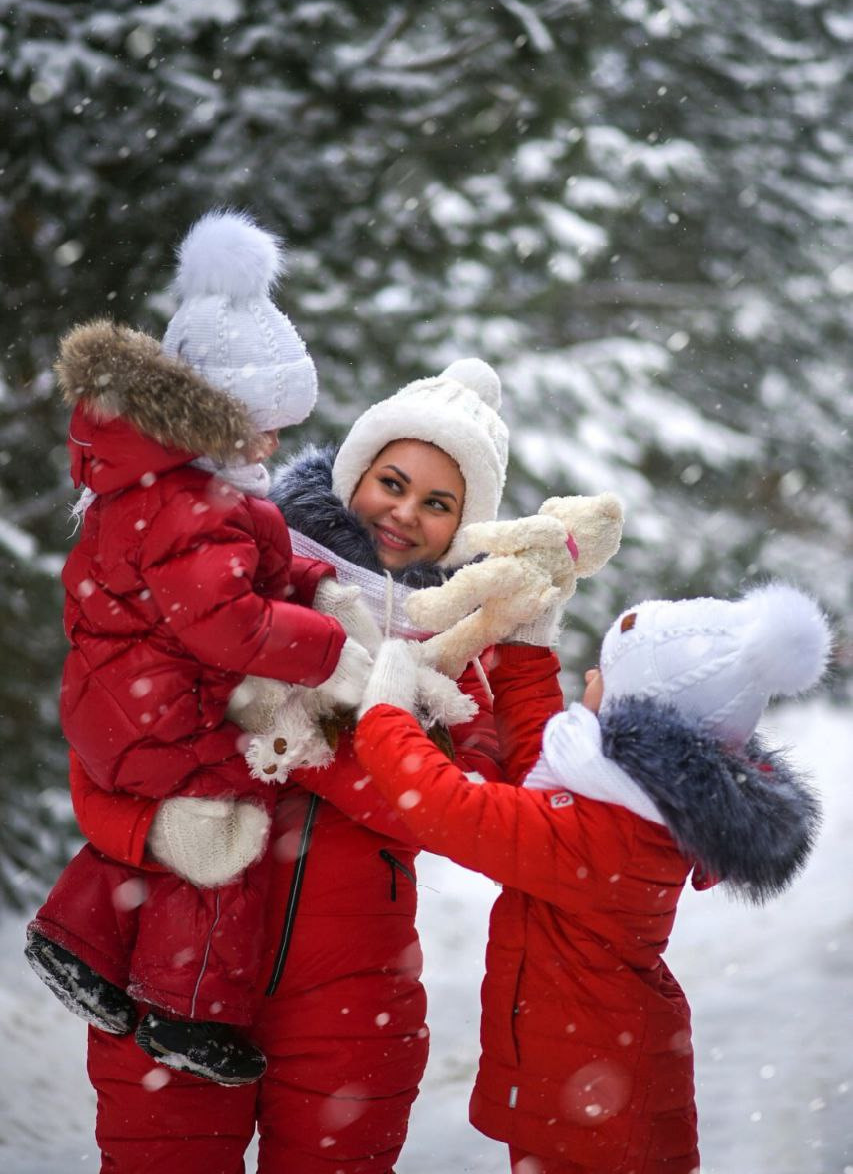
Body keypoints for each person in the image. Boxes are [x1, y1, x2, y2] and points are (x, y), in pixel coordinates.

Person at [52, 357, 511, 1171]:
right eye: (391, 481)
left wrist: (297, 738)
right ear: (351, 473)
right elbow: (105, 756)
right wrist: (156, 834)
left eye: (438, 504)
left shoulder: (460, 657)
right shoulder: (225, 574)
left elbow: (444, 807)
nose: (403, 513)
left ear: (462, 529)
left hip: (351, 1004)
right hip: (166, 980)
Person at [26, 210, 374, 1085]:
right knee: (224, 826)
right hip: (159, 700)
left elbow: (239, 578)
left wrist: (304, 587)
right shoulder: (191, 503)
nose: (275, 445)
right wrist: (328, 645)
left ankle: (78, 943)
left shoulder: (166, 486)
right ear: (214, 417)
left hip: (120, 694)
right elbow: (226, 621)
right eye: (263, 426)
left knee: (155, 833)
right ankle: (187, 1014)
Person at [353, 582, 830, 1174]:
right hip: (597, 1078)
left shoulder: (606, 835)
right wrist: (526, 653)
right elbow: (541, 762)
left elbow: (452, 809)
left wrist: (384, 719)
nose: (588, 678)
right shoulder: (631, 805)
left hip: (593, 1097)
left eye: (604, 673)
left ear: (641, 713)